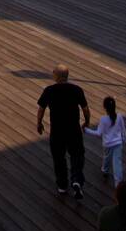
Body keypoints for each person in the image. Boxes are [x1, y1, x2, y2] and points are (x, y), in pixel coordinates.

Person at [37, 64, 90, 198]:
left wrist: (39, 123)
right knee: (77, 155)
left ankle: (62, 186)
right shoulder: (77, 90)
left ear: (56, 76)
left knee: (59, 158)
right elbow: (85, 109)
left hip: (57, 131)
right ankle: (77, 179)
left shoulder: (49, 90)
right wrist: (87, 121)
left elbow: (41, 108)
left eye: (53, 72)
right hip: (73, 130)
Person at [86, 96, 126, 185]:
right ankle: (118, 184)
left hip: (107, 144)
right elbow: (123, 128)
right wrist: (125, 137)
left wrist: (86, 130)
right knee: (117, 163)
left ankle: (105, 171)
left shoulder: (103, 119)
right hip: (118, 143)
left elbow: (98, 133)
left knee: (107, 159)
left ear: (105, 107)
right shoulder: (119, 116)